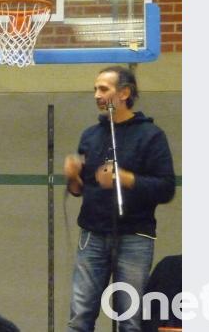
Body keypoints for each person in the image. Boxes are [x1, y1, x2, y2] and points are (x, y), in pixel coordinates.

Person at [64, 66, 176, 332]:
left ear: (125, 93)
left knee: (129, 319)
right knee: (80, 316)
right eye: (95, 89)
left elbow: (166, 188)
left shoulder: (151, 136)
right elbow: (80, 191)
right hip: (92, 234)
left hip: (135, 236)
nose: (96, 95)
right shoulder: (90, 135)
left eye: (103, 89)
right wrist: (73, 178)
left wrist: (125, 178)